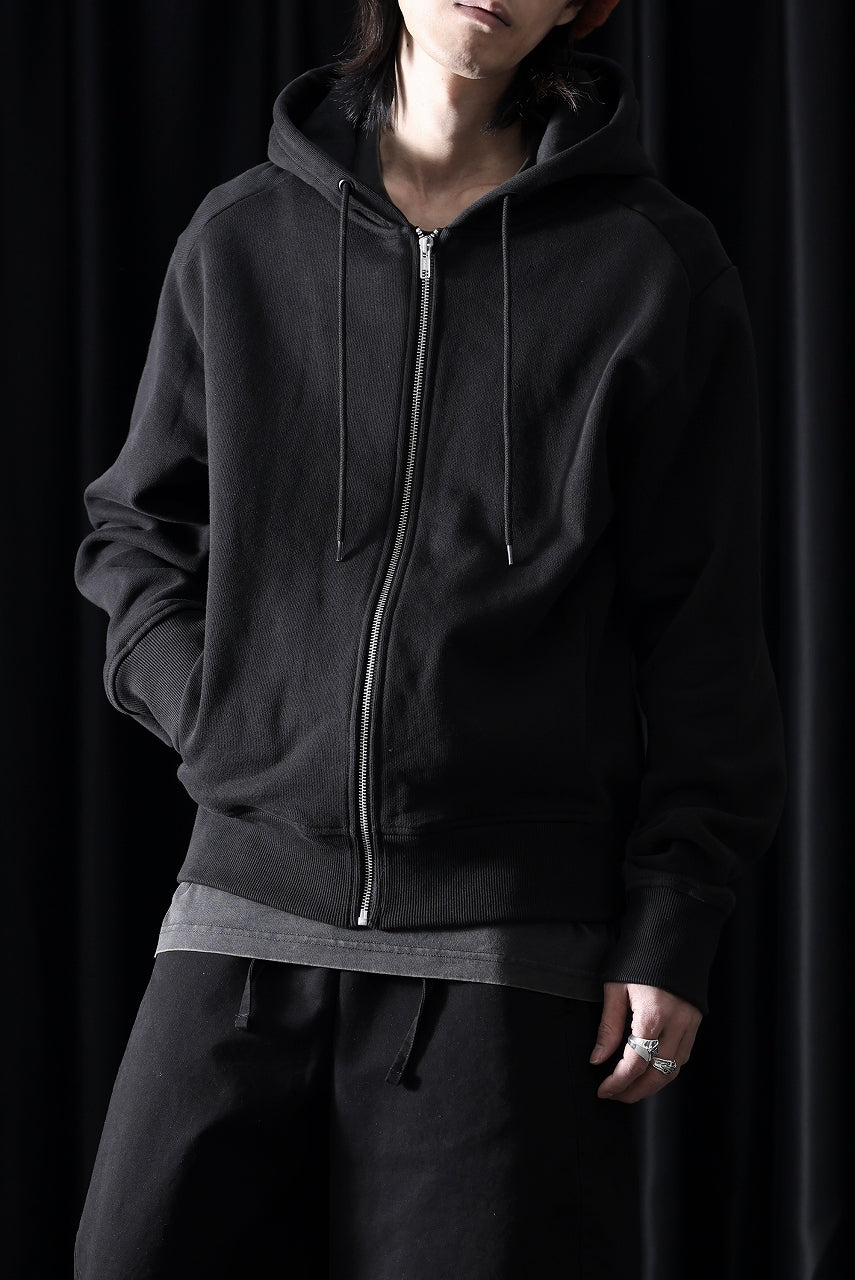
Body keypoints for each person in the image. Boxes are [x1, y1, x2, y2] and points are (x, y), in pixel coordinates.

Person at [73, 1, 788, 1276]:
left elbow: (706, 629)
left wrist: (675, 920)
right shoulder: (242, 236)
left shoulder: (653, 268)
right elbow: (136, 530)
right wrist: (224, 709)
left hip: (507, 940)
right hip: (243, 907)